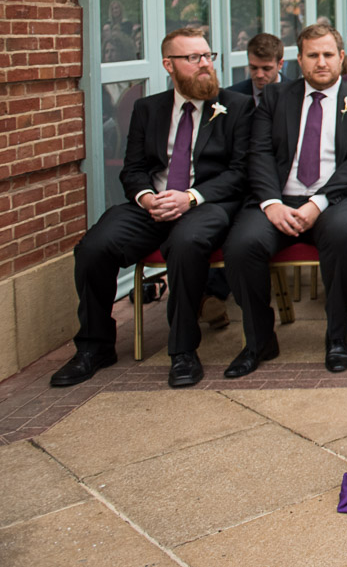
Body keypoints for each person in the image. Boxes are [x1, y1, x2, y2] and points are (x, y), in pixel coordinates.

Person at [51, 28, 254, 389]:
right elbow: (133, 169)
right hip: (152, 203)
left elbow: (240, 173)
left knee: (186, 244)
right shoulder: (149, 109)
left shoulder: (235, 107)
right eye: (194, 58)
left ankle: (183, 351)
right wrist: (147, 197)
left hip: (206, 204)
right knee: (93, 248)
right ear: (168, 65)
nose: (205, 64)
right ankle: (95, 347)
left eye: (208, 56)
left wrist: (189, 197)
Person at [222, 24, 347, 378]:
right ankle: (259, 340)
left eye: (329, 54)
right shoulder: (275, 97)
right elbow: (260, 153)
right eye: (313, 55)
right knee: (241, 245)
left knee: (344, 234)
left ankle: (337, 336)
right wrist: (271, 203)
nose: (321, 62)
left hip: (339, 199)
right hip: (280, 198)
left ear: (342, 58)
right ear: (299, 60)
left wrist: (318, 203)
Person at [229, 32, 284, 107]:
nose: (259, 75)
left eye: (266, 69)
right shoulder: (232, 96)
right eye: (253, 68)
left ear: (280, 64)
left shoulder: (297, 94)